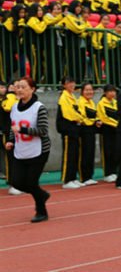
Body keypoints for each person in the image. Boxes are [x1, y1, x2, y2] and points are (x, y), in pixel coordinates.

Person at [5, 77, 51, 222]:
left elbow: (43, 131)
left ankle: (41, 212)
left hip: (39, 151)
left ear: (32, 89)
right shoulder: (14, 107)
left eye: (23, 87)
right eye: (17, 87)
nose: (19, 89)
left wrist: (23, 130)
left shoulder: (39, 107)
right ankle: (42, 195)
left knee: (31, 182)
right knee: (16, 182)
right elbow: (13, 128)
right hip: (21, 150)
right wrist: (11, 141)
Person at [57, 76, 84, 189]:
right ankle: (67, 179)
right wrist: (79, 118)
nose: (72, 85)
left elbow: (78, 111)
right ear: (64, 85)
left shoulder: (72, 97)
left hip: (74, 128)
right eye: (69, 83)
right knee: (69, 154)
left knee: (74, 154)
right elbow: (69, 114)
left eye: (73, 82)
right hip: (68, 128)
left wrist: (80, 117)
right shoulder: (63, 97)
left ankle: (73, 177)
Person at [77, 83, 100, 186]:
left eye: (90, 90)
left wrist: (97, 121)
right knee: (84, 153)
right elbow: (82, 117)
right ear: (82, 91)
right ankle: (84, 176)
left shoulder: (92, 103)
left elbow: (96, 115)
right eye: (86, 90)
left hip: (91, 129)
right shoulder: (80, 102)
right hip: (84, 129)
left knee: (91, 152)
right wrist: (92, 121)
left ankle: (89, 176)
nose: (89, 92)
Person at [96, 84, 118, 182]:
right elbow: (104, 118)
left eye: (113, 91)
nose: (112, 93)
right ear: (105, 93)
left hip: (115, 130)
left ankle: (113, 172)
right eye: (110, 91)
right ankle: (107, 173)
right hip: (107, 129)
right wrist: (116, 124)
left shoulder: (115, 103)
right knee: (107, 151)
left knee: (114, 151)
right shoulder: (101, 103)